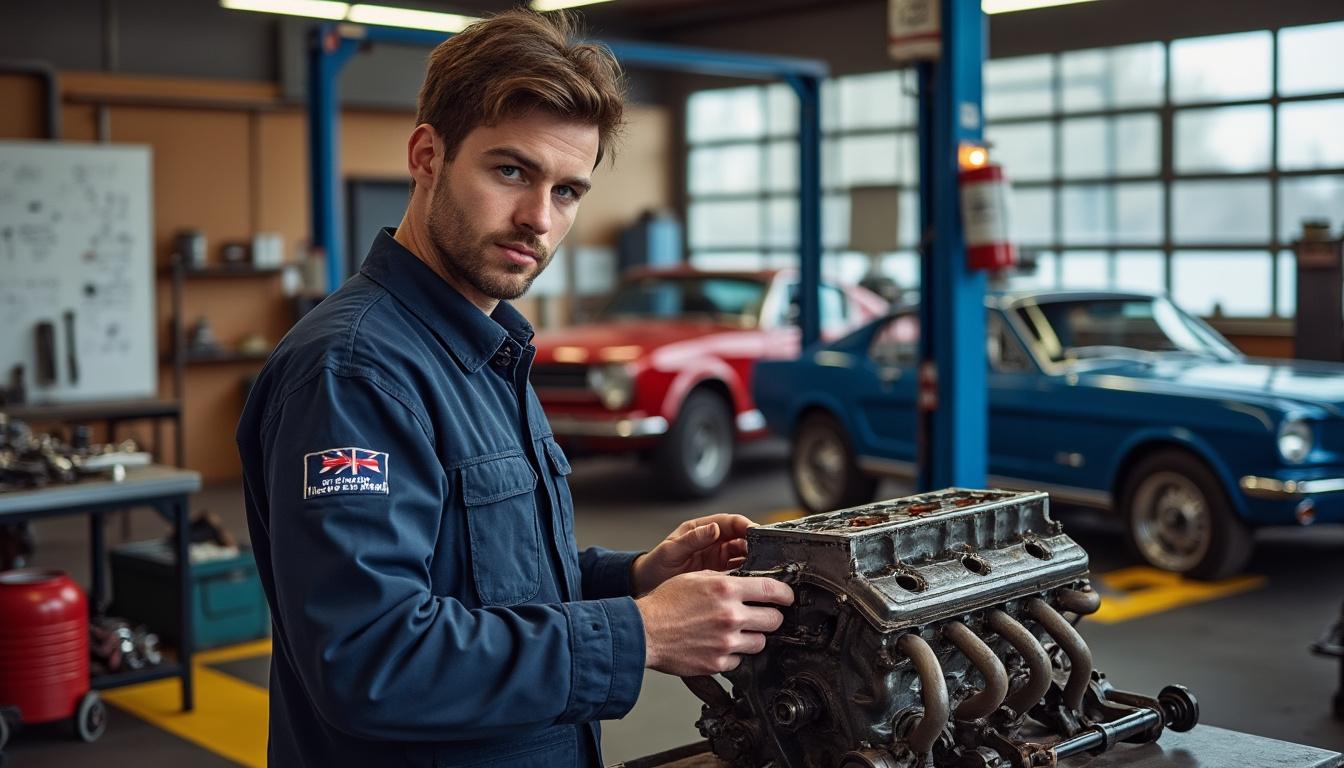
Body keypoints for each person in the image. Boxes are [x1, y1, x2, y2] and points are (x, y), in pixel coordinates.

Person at [235, 9, 794, 768]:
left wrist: (633, 581)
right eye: (511, 171)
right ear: (427, 156)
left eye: (568, 191)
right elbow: (367, 658)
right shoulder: (356, 370)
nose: (538, 218)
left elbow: (490, 583)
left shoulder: (489, 346)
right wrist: (643, 633)